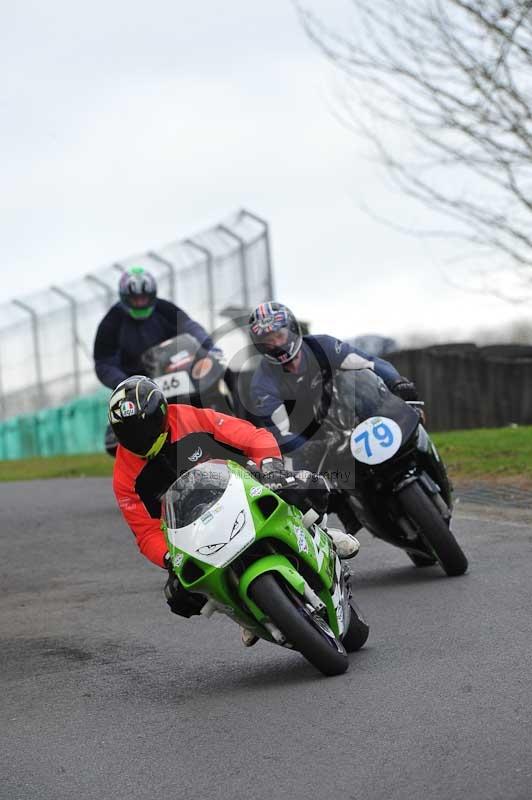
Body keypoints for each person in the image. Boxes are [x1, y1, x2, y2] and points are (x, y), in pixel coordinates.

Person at [109, 375, 359, 647]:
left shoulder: (192, 418)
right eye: (129, 433)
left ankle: (322, 534)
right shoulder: (125, 476)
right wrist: (170, 559)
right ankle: (245, 611)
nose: (139, 439)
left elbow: (252, 435)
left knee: (304, 486)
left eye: (143, 428)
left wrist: (270, 467)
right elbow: (145, 532)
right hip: (195, 528)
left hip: (243, 486)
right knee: (181, 593)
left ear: (160, 412)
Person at [247, 301, 420, 534]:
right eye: (268, 341)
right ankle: (340, 519)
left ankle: (416, 454)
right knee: (299, 488)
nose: (276, 344)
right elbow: (279, 432)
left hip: (348, 412)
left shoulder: (322, 345)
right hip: (308, 437)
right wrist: (305, 447)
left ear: (293, 330)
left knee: (366, 385)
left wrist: (397, 382)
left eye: (279, 335)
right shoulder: (262, 383)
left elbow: (371, 362)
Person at [94, 266, 216, 391]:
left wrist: (210, 347)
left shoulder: (165, 309)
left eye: (143, 298)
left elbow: (189, 326)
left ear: (152, 296)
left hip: (174, 372)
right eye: (135, 300)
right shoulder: (111, 322)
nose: (140, 303)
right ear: (125, 297)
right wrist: (125, 383)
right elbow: (104, 363)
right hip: (137, 388)